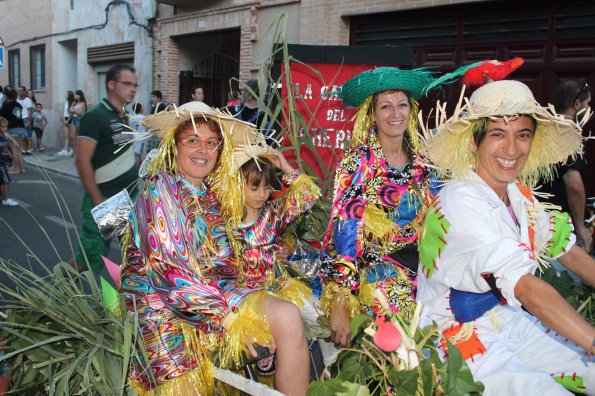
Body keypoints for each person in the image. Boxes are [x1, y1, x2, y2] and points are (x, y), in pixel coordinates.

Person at [417, 80, 595, 395]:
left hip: (508, 320)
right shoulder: (459, 201)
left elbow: (570, 253)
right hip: (457, 338)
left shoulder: (517, 194)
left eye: (522, 135)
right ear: (475, 142)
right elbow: (527, 289)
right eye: (498, 134)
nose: (512, 150)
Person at [121, 101, 309, 395]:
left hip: (218, 292)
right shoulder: (159, 188)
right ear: (175, 146)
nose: (203, 151)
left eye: (211, 143)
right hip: (163, 307)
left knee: (288, 316)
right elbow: (170, 271)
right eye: (192, 141)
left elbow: (256, 227)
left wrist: (278, 248)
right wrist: (230, 320)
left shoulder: (212, 193)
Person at [319, 67, 440, 348]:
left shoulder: (425, 163)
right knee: (409, 340)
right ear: (372, 114)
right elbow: (344, 233)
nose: (395, 114)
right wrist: (340, 302)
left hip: (425, 268)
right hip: (377, 271)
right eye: (386, 106)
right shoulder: (358, 162)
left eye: (401, 105)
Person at [70, 65, 138, 273]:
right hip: (107, 200)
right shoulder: (96, 116)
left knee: (138, 254)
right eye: (127, 84)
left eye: (135, 85)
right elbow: (82, 161)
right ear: (111, 84)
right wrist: (99, 202)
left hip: (128, 198)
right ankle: (54, 292)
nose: (133, 89)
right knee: (88, 262)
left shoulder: (123, 116)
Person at [539, 79, 592, 251]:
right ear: (577, 104)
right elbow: (574, 185)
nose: (589, 109)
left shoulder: (542, 130)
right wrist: (580, 228)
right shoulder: (567, 134)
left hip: (536, 216)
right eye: (587, 104)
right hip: (559, 224)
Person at [0, 89, 25, 174]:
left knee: (13, 149)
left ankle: (16, 169)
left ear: (7, 97)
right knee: (19, 149)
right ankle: (22, 168)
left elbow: (2, 118)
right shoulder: (18, 104)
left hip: (11, 127)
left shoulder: (6, 106)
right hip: (21, 127)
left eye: (4, 96)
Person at [61, 90, 87, 157]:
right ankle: (75, 152)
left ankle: (80, 152)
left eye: (76, 95)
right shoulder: (74, 103)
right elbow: (69, 110)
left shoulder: (83, 103)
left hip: (79, 119)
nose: (75, 96)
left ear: (80, 95)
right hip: (74, 119)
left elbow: (80, 112)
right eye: (75, 94)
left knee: (79, 136)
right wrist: (75, 109)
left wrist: (74, 110)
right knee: (73, 136)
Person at [0, 117, 19, 207]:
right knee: (6, 181)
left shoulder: (4, 134)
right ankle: (6, 200)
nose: (5, 129)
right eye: (3, 127)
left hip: (4, 161)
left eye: (6, 126)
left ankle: (2, 198)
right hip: (1, 163)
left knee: (3, 181)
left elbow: (8, 137)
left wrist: (14, 141)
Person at [16, 86, 34, 155]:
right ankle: (24, 149)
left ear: (24, 92)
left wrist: (29, 121)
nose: (19, 92)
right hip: (19, 119)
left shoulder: (28, 100)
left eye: (20, 90)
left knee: (28, 135)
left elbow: (30, 111)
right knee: (21, 136)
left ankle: (29, 150)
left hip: (26, 119)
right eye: (18, 90)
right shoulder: (17, 100)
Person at [128, 102, 146, 167]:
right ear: (141, 109)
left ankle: (136, 169)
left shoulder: (131, 118)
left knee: (136, 155)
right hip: (143, 137)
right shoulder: (144, 118)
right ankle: (140, 171)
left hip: (134, 137)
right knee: (143, 156)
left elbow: (129, 128)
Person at [58, 91, 75, 156]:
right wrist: (63, 119)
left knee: (71, 136)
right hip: (65, 118)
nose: (65, 95)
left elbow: (71, 113)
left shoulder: (73, 102)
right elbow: (63, 111)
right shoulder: (65, 102)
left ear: (69, 95)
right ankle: (65, 149)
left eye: (66, 94)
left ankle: (72, 149)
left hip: (70, 119)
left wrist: (67, 120)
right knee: (66, 135)